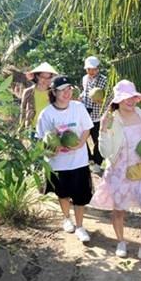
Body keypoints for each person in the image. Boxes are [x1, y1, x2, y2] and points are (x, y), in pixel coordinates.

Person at [90, 79, 141, 264]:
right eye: (125, 98)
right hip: (119, 170)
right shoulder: (112, 120)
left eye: (133, 97)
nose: (130, 101)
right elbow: (105, 152)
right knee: (119, 211)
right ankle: (121, 242)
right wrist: (103, 131)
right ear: (118, 101)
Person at [36, 76, 94, 243]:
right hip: (58, 162)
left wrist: (79, 145)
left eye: (69, 89)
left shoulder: (78, 107)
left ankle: (80, 226)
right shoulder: (47, 114)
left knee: (80, 195)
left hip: (79, 160)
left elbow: (86, 130)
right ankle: (67, 218)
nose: (67, 93)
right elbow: (43, 139)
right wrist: (52, 150)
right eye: (62, 90)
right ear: (54, 92)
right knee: (63, 193)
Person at [80, 56, 108, 174]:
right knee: (80, 138)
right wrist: (80, 97)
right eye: (89, 69)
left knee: (98, 141)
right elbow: (85, 91)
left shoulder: (104, 80)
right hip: (85, 114)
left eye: (93, 69)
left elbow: (109, 97)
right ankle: (89, 159)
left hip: (98, 115)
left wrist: (101, 101)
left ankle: (97, 162)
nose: (91, 72)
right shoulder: (85, 78)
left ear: (98, 68)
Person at [19, 62, 58, 133]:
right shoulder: (28, 92)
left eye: (48, 77)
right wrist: (21, 128)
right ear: (37, 76)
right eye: (43, 77)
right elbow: (23, 111)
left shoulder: (54, 92)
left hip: (50, 129)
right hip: (33, 128)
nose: (45, 80)